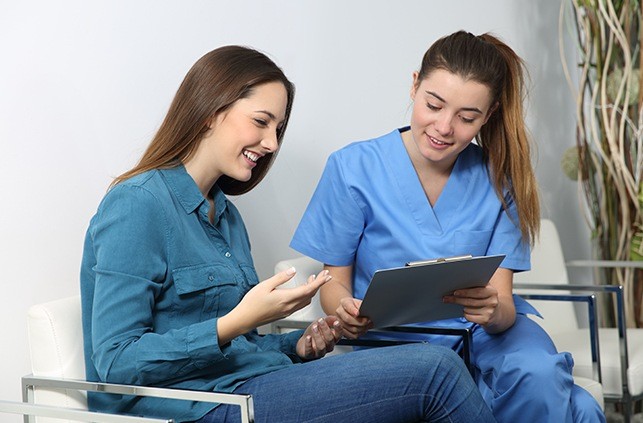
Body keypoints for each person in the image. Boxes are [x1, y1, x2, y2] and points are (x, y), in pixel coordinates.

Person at [80, 45, 496, 423]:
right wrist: (237, 320)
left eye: (277, 128)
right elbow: (116, 362)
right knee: (434, 370)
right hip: (201, 407)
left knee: (431, 367)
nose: (271, 143)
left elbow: (242, 345)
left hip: (247, 387)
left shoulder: (226, 216)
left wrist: (298, 345)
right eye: (261, 122)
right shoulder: (137, 204)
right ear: (210, 110)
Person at [290, 31, 606, 423]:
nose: (444, 126)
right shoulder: (352, 169)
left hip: (490, 337)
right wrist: (344, 309)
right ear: (414, 85)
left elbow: (503, 306)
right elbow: (333, 284)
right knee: (581, 409)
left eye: (466, 117)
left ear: (487, 116)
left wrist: (492, 312)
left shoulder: (500, 177)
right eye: (433, 105)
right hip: (400, 346)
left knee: (538, 374)